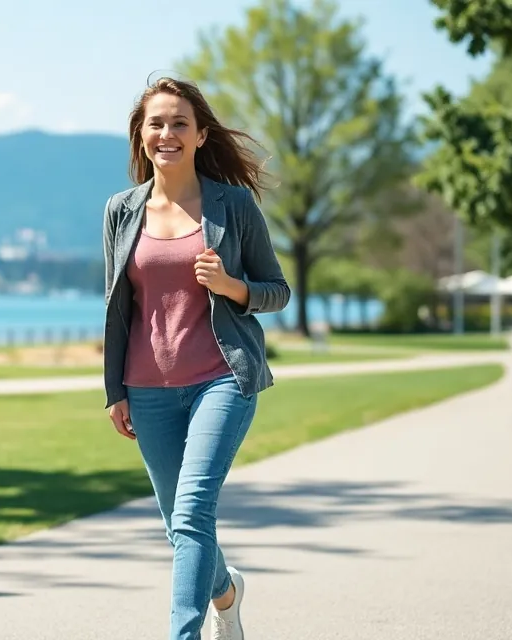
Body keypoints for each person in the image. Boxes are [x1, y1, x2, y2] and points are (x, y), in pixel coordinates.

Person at [101, 76, 291, 640]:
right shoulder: (120, 211)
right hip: (148, 388)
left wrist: (231, 286)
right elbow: (115, 306)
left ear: (201, 134)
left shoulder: (233, 205)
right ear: (141, 136)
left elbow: (276, 290)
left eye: (180, 123)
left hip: (221, 379)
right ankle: (226, 593)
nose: (167, 133)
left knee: (190, 515)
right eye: (155, 123)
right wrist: (114, 390)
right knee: (178, 524)